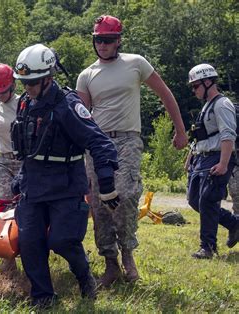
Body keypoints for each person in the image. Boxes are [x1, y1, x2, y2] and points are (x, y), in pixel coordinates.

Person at [76, 15, 189, 287]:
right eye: (98, 39)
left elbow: (165, 94)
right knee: (100, 202)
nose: (102, 45)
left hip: (127, 140)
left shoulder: (135, 63)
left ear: (118, 41)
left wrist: (180, 130)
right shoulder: (87, 75)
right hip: (97, 144)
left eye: (107, 40)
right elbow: (81, 118)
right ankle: (110, 263)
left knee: (125, 195)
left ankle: (127, 253)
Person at [11, 43, 120, 307]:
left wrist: (106, 184)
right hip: (33, 185)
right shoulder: (25, 103)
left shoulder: (68, 105)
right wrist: (19, 181)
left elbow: (100, 143)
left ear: (48, 77)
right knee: (30, 241)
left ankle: (85, 277)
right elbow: (29, 147)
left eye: (32, 82)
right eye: (23, 82)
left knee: (62, 241)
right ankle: (43, 297)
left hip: (66, 186)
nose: (27, 88)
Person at [186, 63, 239, 258]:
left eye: (196, 86)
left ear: (208, 82)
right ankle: (234, 223)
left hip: (218, 157)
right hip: (202, 158)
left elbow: (228, 135)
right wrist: (190, 158)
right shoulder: (206, 106)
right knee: (194, 200)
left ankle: (207, 247)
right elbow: (201, 137)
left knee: (208, 200)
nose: (194, 90)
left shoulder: (222, 104)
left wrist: (224, 163)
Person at [0, 63, 22, 273]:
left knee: (25, 208)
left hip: (25, 162)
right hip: (3, 161)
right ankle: (7, 261)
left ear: (13, 85)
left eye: (3, 91)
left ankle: (29, 250)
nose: (0, 96)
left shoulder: (25, 104)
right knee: (2, 206)